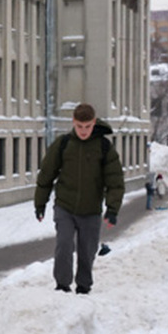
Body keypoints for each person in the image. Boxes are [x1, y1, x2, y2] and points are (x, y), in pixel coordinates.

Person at [34, 103, 125, 295]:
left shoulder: (104, 147)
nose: (84, 131)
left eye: (88, 126)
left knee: (87, 251)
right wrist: (40, 204)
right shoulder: (63, 144)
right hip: (65, 207)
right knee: (64, 245)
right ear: (74, 123)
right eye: (79, 126)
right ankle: (62, 286)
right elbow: (46, 175)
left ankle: (83, 287)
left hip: (91, 210)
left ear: (94, 123)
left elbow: (115, 181)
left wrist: (112, 209)